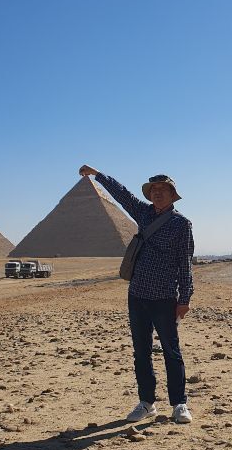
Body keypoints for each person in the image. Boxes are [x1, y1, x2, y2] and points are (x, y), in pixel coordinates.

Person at [78, 165, 194, 423]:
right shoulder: (143, 213)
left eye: (163, 189)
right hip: (138, 295)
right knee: (141, 352)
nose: (157, 193)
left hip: (165, 297)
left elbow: (185, 264)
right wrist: (98, 175)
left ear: (172, 194)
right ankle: (146, 403)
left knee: (171, 351)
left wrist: (185, 299)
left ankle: (179, 403)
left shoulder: (181, 225)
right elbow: (122, 194)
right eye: (154, 190)